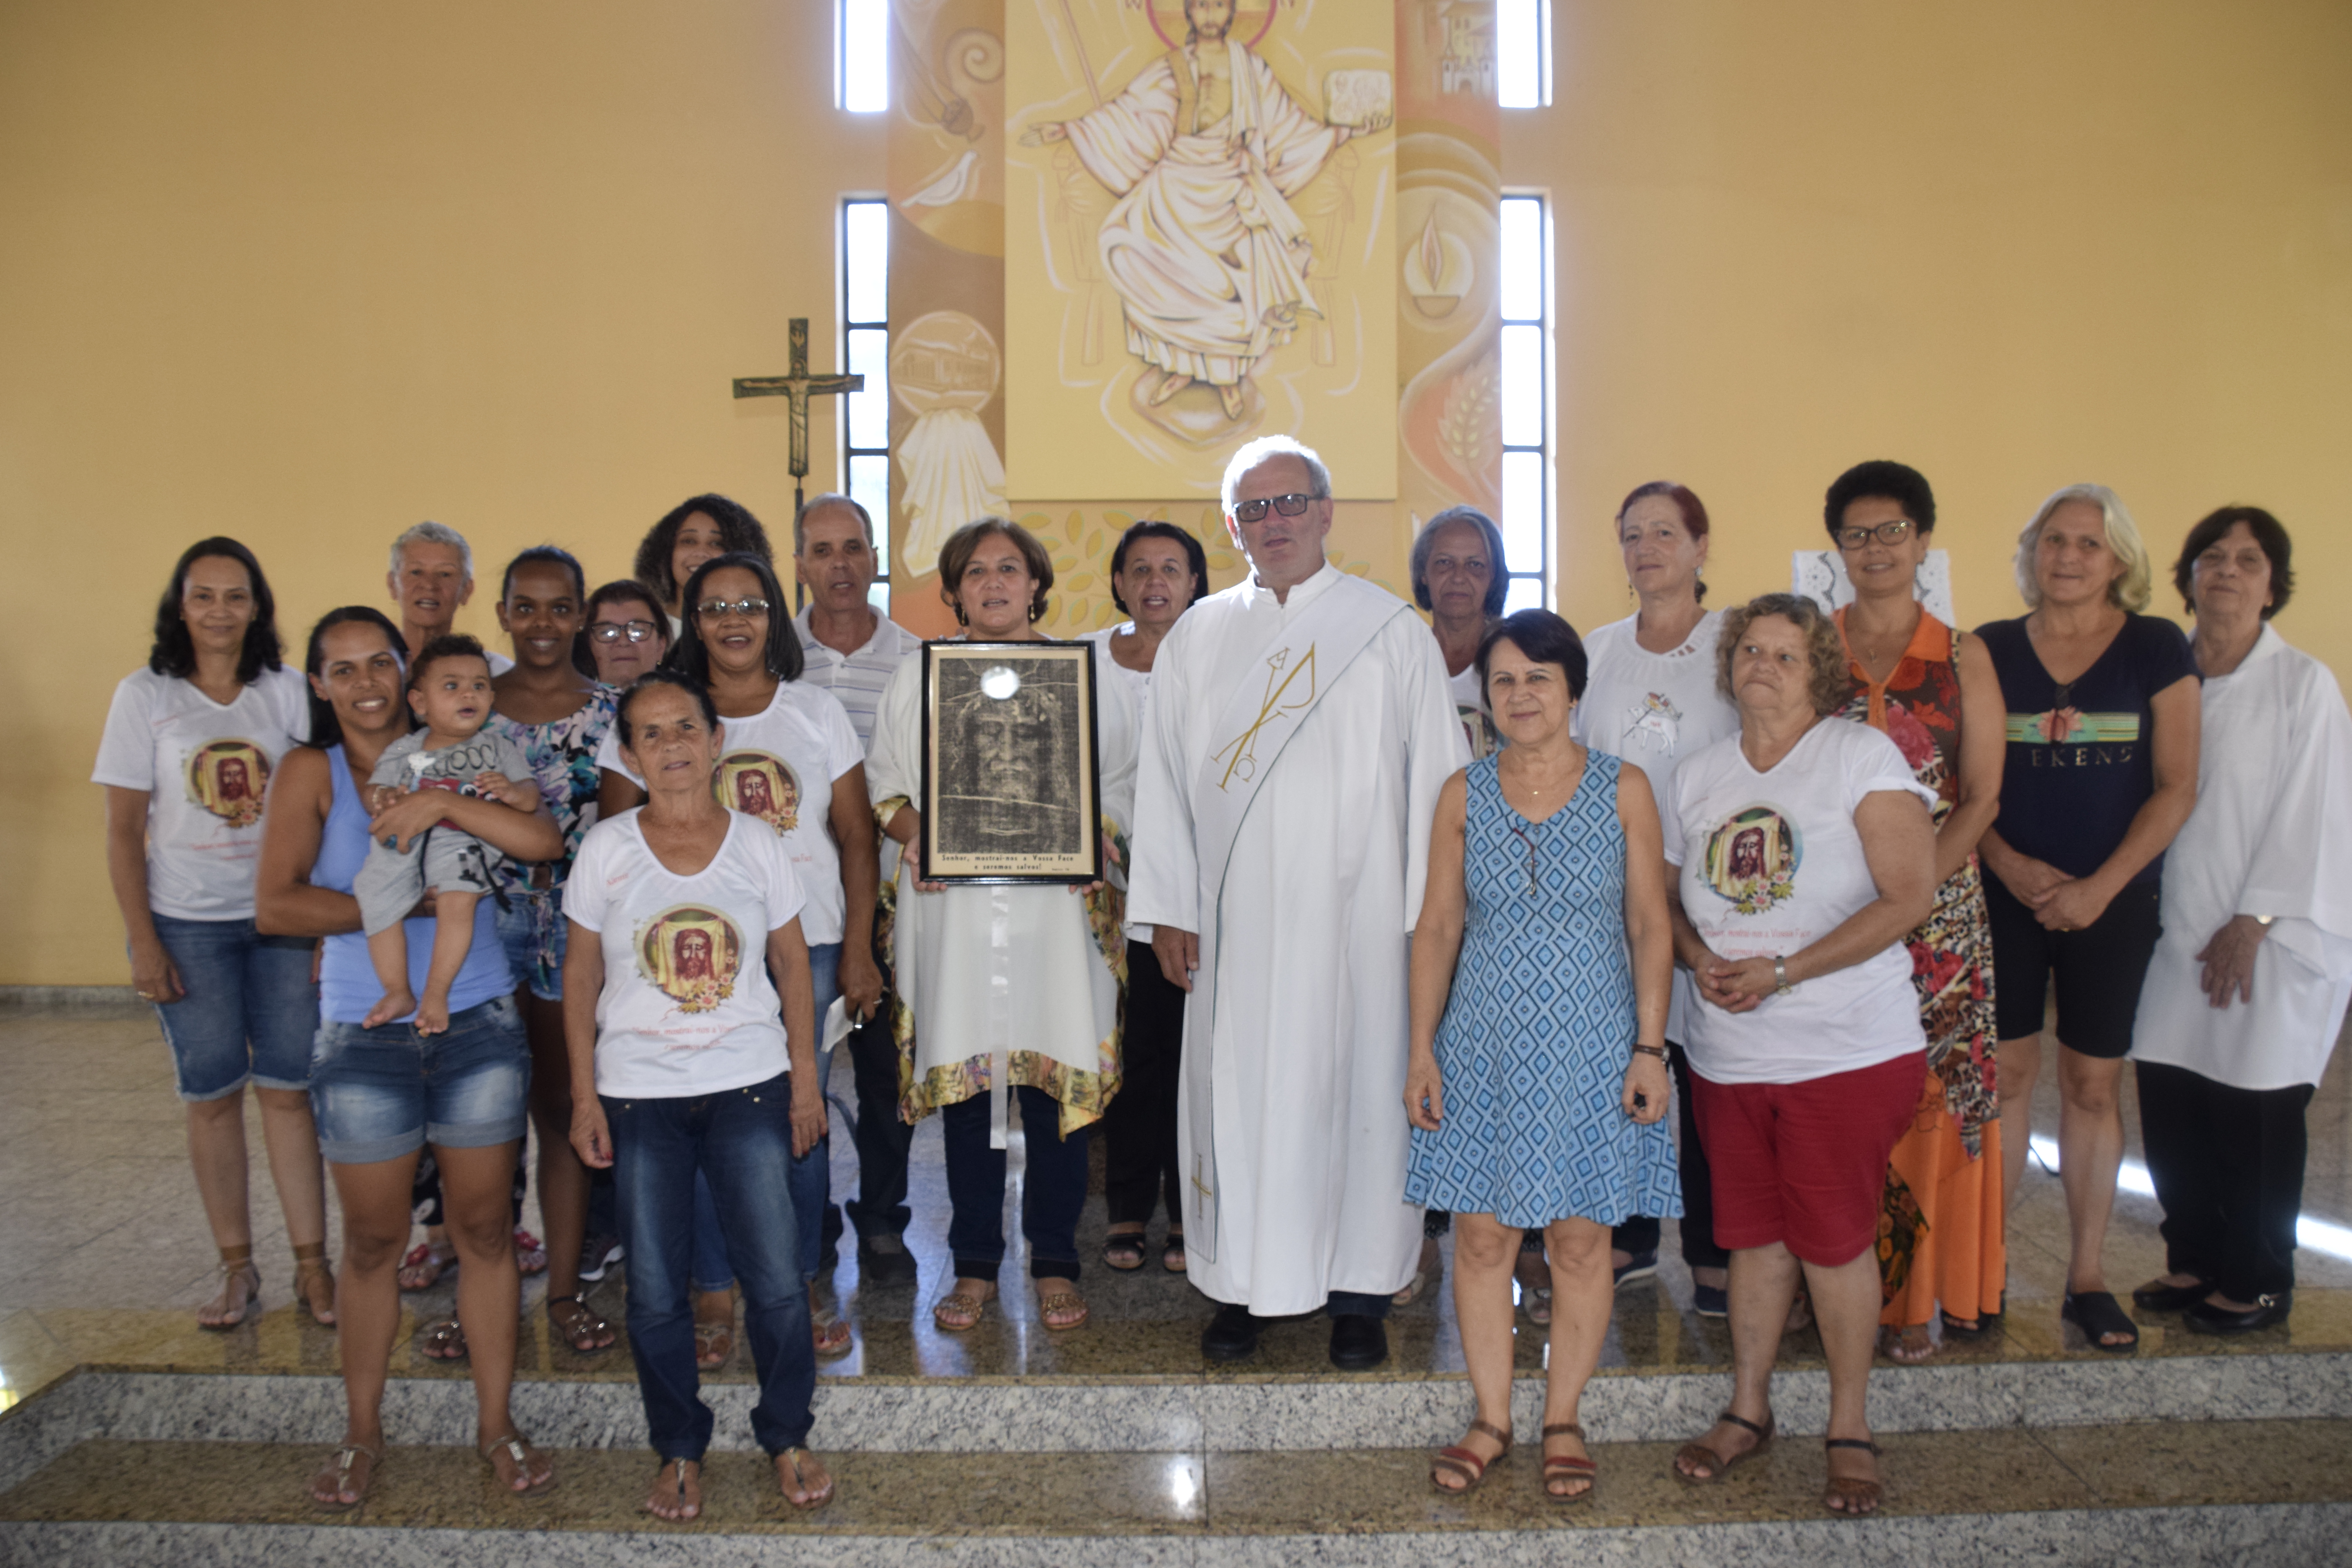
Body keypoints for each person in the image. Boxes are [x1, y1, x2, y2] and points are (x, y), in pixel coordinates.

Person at [1128, 435, 1465, 1371]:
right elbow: (1160, 779)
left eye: (1290, 504)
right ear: (1232, 527)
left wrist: (1426, 928)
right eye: (1253, 509)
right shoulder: (1198, 634)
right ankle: (1241, 1284)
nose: (1273, 523)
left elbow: (1440, 786)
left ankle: (1358, 1291)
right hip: (1232, 923)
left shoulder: (1389, 630)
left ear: (1326, 512)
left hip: (1361, 924)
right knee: (1236, 1098)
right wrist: (1166, 905)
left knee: (1359, 1096)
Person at [257, 606, 564, 1508]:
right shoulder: (312, 772)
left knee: (480, 1233)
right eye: (340, 669)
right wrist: (403, 909)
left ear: (406, 673)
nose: (362, 683)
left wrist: (442, 805)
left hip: (477, 1029)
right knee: (375, 1243)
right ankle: (361, 1432)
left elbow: (542, 843)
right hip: (363, 1034)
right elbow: (276, 906)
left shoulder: (465, 747)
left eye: (376, 663)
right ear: (318, 684)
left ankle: (496, 1424)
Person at [1660, 594, 1938, 1517]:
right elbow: (1667, 891)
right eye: (1748, 650)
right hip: (1731, 1054)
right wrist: (1699, 959)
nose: (1763, 665)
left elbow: (1908, 895)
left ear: (1818, 669)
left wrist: (1785, 969)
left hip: (1843, 1048)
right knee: (1751, 1238)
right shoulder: (1700, 773)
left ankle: (1849, 1425)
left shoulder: (1859, 756)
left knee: (1832, 1239)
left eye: (1785, 653)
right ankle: (1748, 1408)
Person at [1403, 611, 1678, 1500]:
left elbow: (1648, 923)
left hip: (1595, 1038)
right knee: (1482, 1238)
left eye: (1539, 678)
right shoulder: (1463, 792)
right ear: (1485, 696)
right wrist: (1421, 1048)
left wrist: (1649, 1047)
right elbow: (1439, 926)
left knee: (1580, 1237)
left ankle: (1563, 1416)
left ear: (1573, 689)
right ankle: (1491, 1416)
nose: (1520, 695)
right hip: (1483, 1041)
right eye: (1505, 680)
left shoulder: (1623, 787)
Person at [565, 670, 834, 1517]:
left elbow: (793, 964)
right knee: (652, 1287)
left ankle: (787, 1432)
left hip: (749, 1086)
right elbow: (578, 978)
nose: (673, 744)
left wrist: (804, 1081)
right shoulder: (607, 848)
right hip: (639, 1093)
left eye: (687, 726)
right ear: (629, 751)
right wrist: (583, 1096)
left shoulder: (757, 841)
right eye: (651, 732)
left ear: (716, 739)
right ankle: (678, 1446)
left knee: (779, 1281)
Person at [598, 552, 878, 1364]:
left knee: (801, 1115)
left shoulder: (816, 711)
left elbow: (855, 834)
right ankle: (713, 1286)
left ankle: (802, 1272)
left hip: (808, 944)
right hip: (684, 956)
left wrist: (858, 945)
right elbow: (616, 850)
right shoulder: (659, 714)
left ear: (773, 616)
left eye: (750, 604)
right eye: (714, 606)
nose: (733, 620)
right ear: (692, 621)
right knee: (696, 1116)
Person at [864, 517, 1139, 1333]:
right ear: (953, 590)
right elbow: (887, 785)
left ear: (1035, 583)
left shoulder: (1088, 677)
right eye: (975, 571)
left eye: (1009, 569)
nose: (993, 583)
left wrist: (1098, 835)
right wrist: (922, 834)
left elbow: (1123, 782)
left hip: (1055, 920)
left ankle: (1054, 1259)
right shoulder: (918, 677)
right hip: (957, 917)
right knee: (971, 1098)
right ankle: (977, 1263)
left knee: (1053, 1090)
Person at [1975, 484, 2199, 1354]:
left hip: (2114, 897)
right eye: (2054, 540)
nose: (2068, 556)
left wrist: (2100, 886)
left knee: (2093, 1084)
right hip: (2009, 893)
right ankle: (1984, 1267)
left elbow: (2177, 784)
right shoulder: (1989, 648)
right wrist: (2011, 863)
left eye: (2090, 545)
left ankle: (2088, 1275)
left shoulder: (2154, 645)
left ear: (2121, 562)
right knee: (2006, 1077)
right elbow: (1967, 786)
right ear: (2032, 552)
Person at [94, 538, 332, 1330]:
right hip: (187, 922)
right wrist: (144, 940)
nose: (221, 611)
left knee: (291, 1091)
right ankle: (237, 1267)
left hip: (282, 919)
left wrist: (328, 924)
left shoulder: (288, 692)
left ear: (258, 605)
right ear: (181, 604)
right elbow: (125, 829)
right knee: (212, 1093)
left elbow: (327, 811)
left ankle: (312, 1266)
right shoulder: (145, 695)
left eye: (237, 596)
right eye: (205, 596)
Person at [2132, 508, 2352, 1336]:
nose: (2227, 571)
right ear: (2188, 575)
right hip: (2173, 931)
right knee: (2175, 1097)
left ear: (2273, 583)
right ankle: (2194, 1256)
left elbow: (2318, 813)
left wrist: (2255, 916)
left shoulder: (2303, 685)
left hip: (2269, 935)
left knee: (2253, 1110)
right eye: (2212, 557)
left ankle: (2260, 1275)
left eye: (2248, 560)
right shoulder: (2167, 674)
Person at [1822, 462, 2009, 1363]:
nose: (1875, 548)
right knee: (1844, 1093)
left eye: (1892, 530)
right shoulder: (1814, 649)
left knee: (1933, 1092)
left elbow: (1982, 796)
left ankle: (1925, 1297)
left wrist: (1916, 892)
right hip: (1833, 903)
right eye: (1858, 534)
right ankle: (1839, 1282)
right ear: (1838, 549)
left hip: (1941, 916)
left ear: (1924, 539)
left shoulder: (1964, 654)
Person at [1018, 0, 1389, 422]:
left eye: (1218, 6)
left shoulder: (1251, 67)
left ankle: (1227, 378)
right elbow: (1130, 115)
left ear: (1231, 13)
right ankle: (1178, 369)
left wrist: (1347, 131)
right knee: (1132, 248)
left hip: (1230, 182)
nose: (1210, 15)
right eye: (1201, 6)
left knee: (1229, 290)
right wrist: (1070, 129)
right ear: (1188, 13)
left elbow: (1287, 124)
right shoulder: (1171, 66)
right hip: (1177, 179)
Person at [1570, 482, 1742, 1315]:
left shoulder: (1737, 644)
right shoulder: (1597, 650)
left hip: (1716, 892)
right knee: (1630, 1054)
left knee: (1708, 1063)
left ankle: (1714, 1247)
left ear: (1702, 544)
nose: (1648, 548)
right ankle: (1633, 1234)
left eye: (1666, 532)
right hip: (1617, 897)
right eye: (1632, 534)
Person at [484, 546, 622, 1355]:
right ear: (503, 612)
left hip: (569, 934)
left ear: (580, 614)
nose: (542, 623)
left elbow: (620, 839)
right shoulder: (465, 703)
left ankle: (564, 1289)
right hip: (468, 934)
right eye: (525, 606)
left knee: (564, 1108)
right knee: (482, 1121)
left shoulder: (609, 712)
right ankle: (484, 1289)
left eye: (559, 606)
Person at [788, 493, 924, 1286]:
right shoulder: (774, 663)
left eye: (854, 547)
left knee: (886, 1069)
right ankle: (804, 1222)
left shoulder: (916, 658)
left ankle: (882, 1217)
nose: (839, 564)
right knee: (794, 1070)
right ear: (801, 563)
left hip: (889, 897)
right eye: (822, 550)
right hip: (794, 902)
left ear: (875, 558)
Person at [1084, 519, 1210, 1276]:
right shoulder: (1086, 660)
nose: (1156, 581)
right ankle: (1127, 1203)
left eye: (1172, 567)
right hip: (1100, 888)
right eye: (1140, 569)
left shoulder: (1222, 657)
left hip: (1192, 890)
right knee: (1125, 1053)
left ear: (1196, 582)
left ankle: (1190, 1209)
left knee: (1186, 1049)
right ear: (1120, 583)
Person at [355, 637, 542, 1032]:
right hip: (404, 841)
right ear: (420, 703)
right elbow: (372, 792)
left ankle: (436, 992)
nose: (467, 694)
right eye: (452, 686)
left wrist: (511, 792)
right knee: (374, 894)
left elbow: (529, 799)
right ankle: (397, 989)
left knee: (459, 901)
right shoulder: (403, 750)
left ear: (491, 697)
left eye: (478, 685)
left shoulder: (498, 748)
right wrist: (384, 795)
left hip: (463, 841)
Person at [1412, 506, 1509, 761]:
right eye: (1445, 563)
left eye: (1475, 565)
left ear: (1494, 576)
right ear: (1424, 573)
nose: (1458, 577)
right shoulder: (1403, 659)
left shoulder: (1516, 658)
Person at [633, 494, 775, 636]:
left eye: (716, 543)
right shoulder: (644, 631)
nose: (701, 553)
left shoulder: (757, 631)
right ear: (666, 552)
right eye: (688, 541)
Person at [387, 521, 512, 674]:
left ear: (467, 590)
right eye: (416, 572)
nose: (429, 585)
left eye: (445, 574)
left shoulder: (495, 673)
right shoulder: (372, 672)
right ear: (392, 585)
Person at [579, 580, 672, 688]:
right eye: (607, 633)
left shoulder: (688, 703)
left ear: (661, 647)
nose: (623, 642)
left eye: (638, 631)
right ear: (588, 646)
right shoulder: (568, 704)